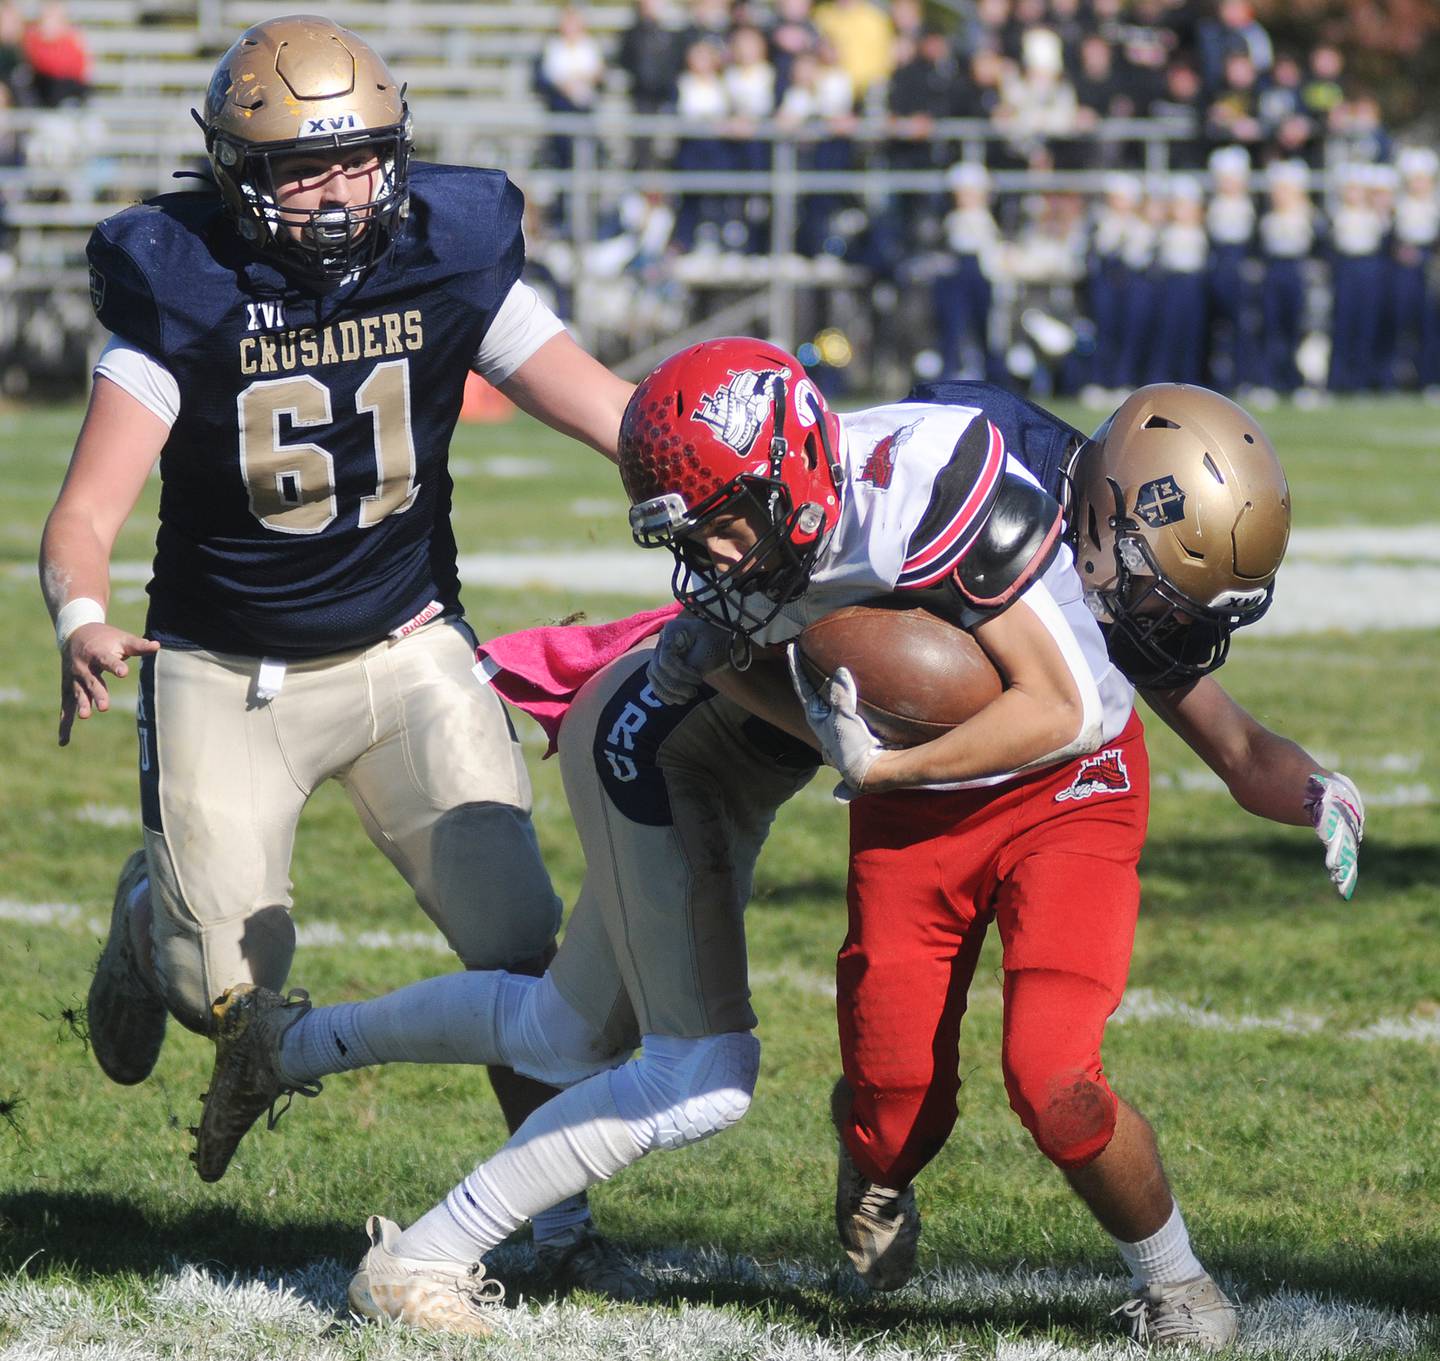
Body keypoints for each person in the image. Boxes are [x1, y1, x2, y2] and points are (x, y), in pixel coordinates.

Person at [193, 344, 1362, 1347]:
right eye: (702, 529)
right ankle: (425, 1260)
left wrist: (1318, 791)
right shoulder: (860, 500)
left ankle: (289, 1045)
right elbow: (760, 659)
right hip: (661, 751)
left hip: (830, 755)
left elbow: (1094, 714)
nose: (719, 550)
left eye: (729, 521)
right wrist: (835, 722)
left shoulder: (950, 500)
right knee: (699, 1073)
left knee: (562, 1024)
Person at [37, 14, 637, 1296]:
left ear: (396, 154)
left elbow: (605, 406)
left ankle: (557, 1211)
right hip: (224, 671)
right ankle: (151, 927)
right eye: (299, 170)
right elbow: (87, 510)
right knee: (225, 994)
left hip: (405, 651)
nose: (330, 193)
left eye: (356, 160)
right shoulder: (180, 280)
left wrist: (711, 468)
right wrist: (81, 615)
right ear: (236, 174)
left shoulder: (449, 250)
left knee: (518, 942)